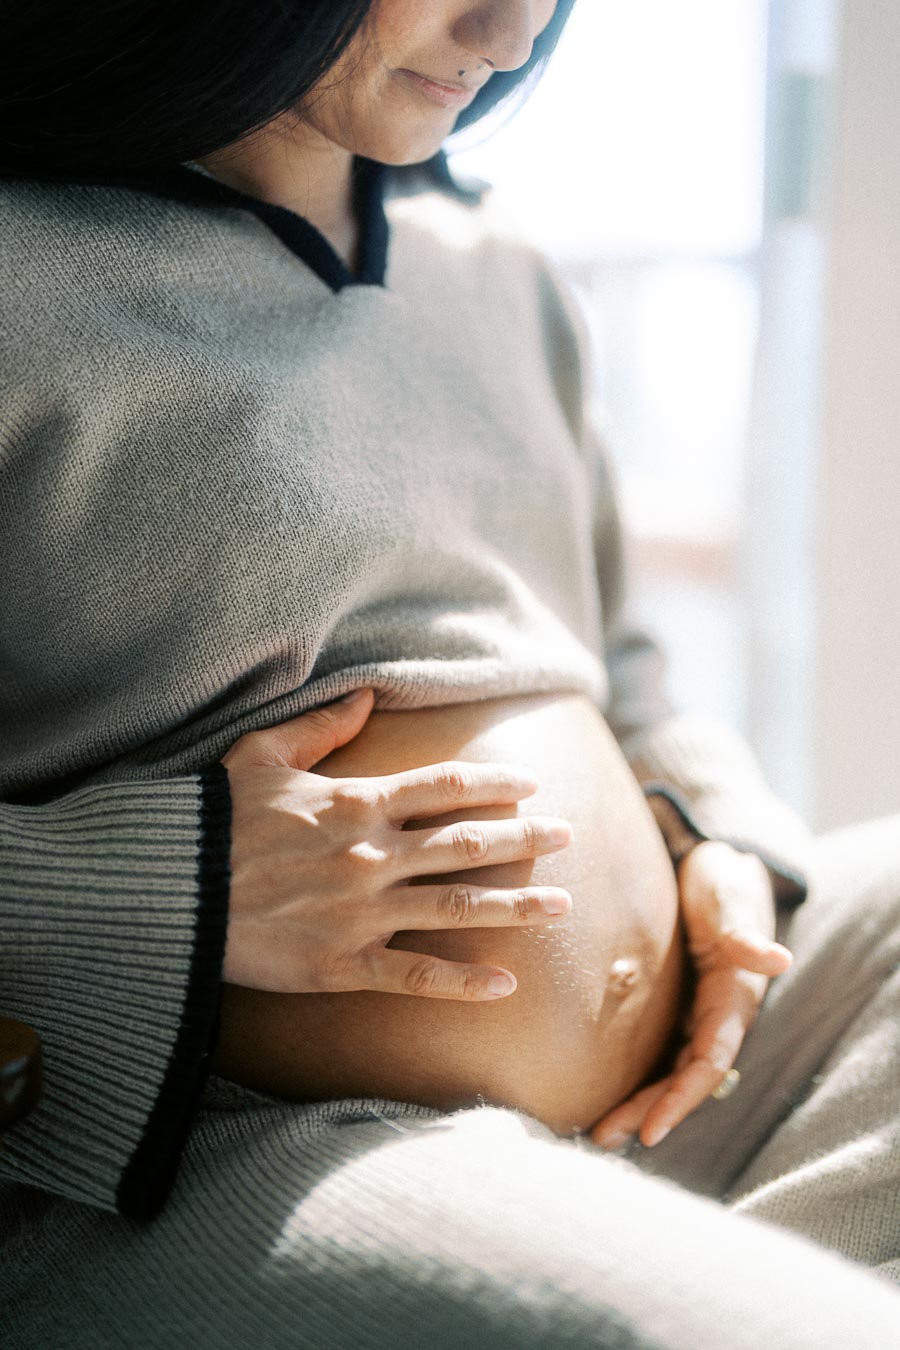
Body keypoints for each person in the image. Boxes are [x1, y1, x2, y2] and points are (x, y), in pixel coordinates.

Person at [1, 3, 898, 1346]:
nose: (512, 27)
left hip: (681, 1097)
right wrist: (167, 887)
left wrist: (719, 843)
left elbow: (628, 673)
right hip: (241, 1146)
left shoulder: (503, 277)